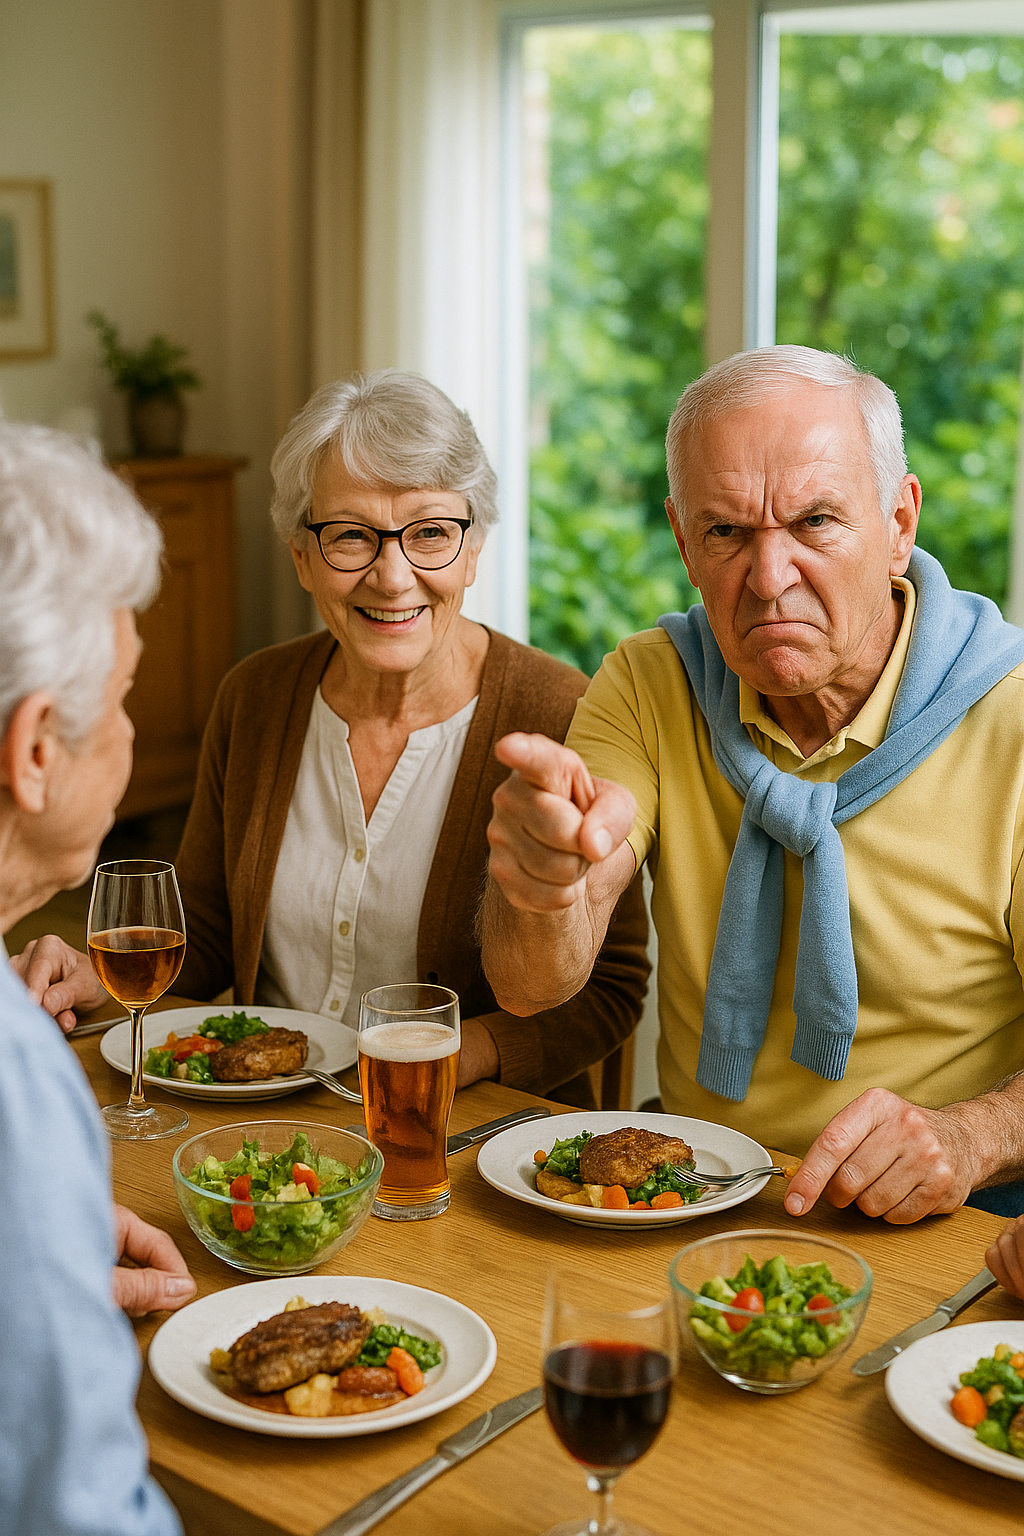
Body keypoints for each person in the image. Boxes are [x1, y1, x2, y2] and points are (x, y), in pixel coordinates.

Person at [482, 344, 1024, 1225]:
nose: (768, 581)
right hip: (692, 1190)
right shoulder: (651, 683)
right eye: (726, 532)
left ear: (899, 520)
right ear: (684, 542)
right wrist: (545, 887)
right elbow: (531, 985)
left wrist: (968, 1136)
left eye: (815, 522)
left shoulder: (1014, 720)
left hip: (961, 1214)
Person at [18, 372, 648, 1105]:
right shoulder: (254, 696)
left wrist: (456, 1054)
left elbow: (613, 988)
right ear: (302, 555)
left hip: (468, 1140)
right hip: (265, 1115)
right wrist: (97, 975)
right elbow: (207, 927)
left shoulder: (559, 711)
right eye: (350, 534)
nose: (392, 575)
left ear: (474, 549)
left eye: (431, 534)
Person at [0, 421, 195, 1535]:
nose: (128, 730)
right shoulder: (18, 1074)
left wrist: (38, 1252)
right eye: (122, 696)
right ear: (37, 750)